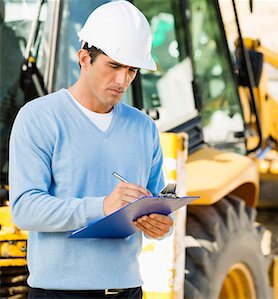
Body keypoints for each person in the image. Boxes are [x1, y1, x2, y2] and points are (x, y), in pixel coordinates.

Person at [8, 1, 173, 298]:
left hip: (128, 290)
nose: (123, 80)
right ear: (84, 58)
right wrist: (102, 207)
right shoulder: (39, 118)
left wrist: (161, 226)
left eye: (132, 70)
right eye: (114, 66)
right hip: (58, 293)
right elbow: (25, 209)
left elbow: (156, 202)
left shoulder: (144, 128)